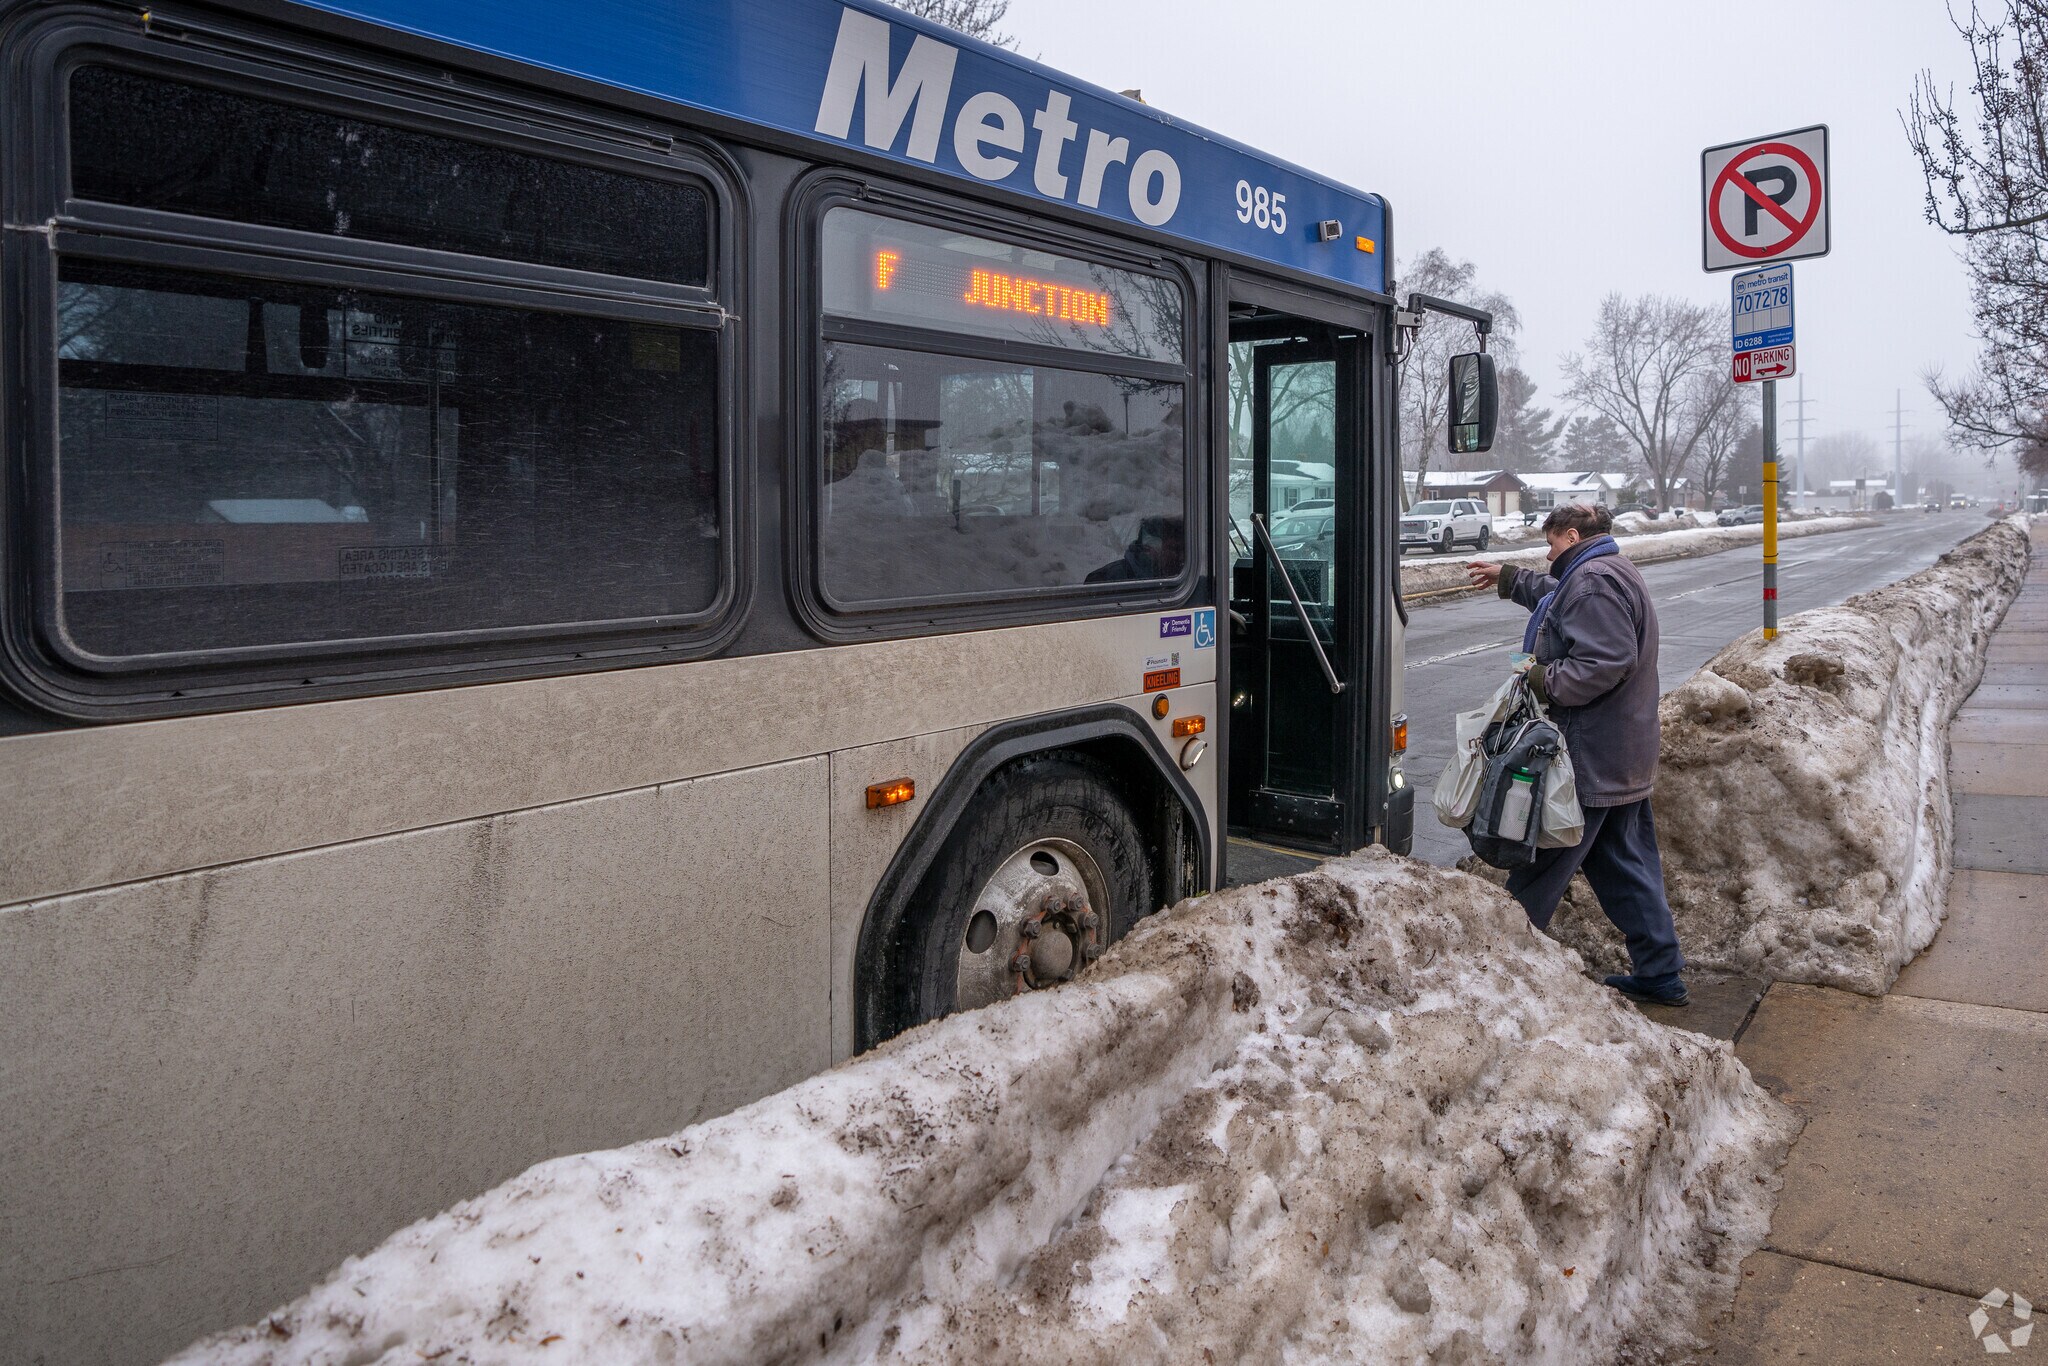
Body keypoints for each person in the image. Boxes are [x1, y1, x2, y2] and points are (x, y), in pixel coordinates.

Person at [1464, 503, 1688, 1007]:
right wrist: (1510, 579)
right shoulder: (1605, 569)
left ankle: (1495, 974)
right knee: (1626, 866)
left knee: (1540, 864)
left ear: (1570, 535)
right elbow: (1557, 599)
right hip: (1620, 753)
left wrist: (1543, 678)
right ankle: (1660, 972)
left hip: (1587, 758)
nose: (1548, 554)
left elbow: (1604, 661)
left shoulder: (1592, 581)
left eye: (1550, 544)